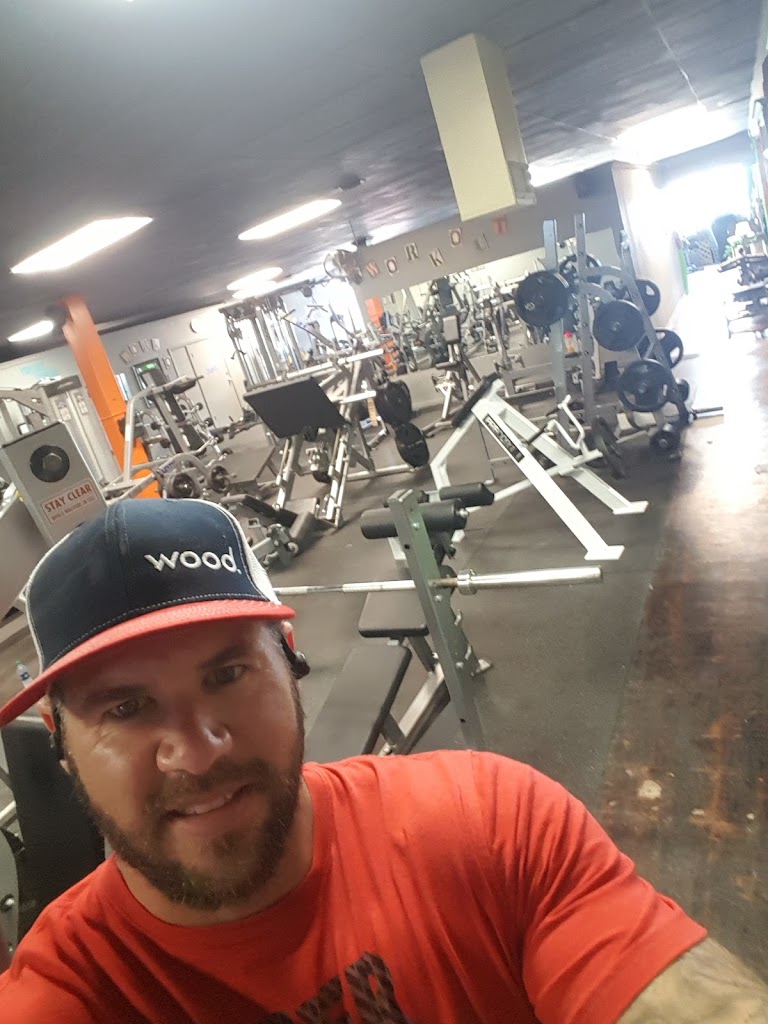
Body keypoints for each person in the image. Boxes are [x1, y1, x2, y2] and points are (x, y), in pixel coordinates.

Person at [0, 498, 765, 1023]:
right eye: (126, 709)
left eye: (228, 674)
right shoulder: (70, 988)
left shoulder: (490, 823)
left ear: (290, 659)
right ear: (58, 738)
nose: (197, 751)